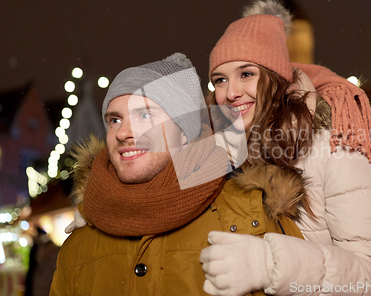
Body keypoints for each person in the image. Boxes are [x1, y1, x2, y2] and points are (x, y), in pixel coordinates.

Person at [50, 53, 308, 296]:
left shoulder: (252, 216)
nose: (123, 132)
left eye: (144, 115)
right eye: (115, 120)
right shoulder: (79, 243)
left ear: (185, 132)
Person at [199, 0, 371, 295]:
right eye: (220, 80)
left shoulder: (335, 141)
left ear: (275, 77)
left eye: (246, 74)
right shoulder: (216, 150)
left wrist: (273, 265)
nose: (231, 92)